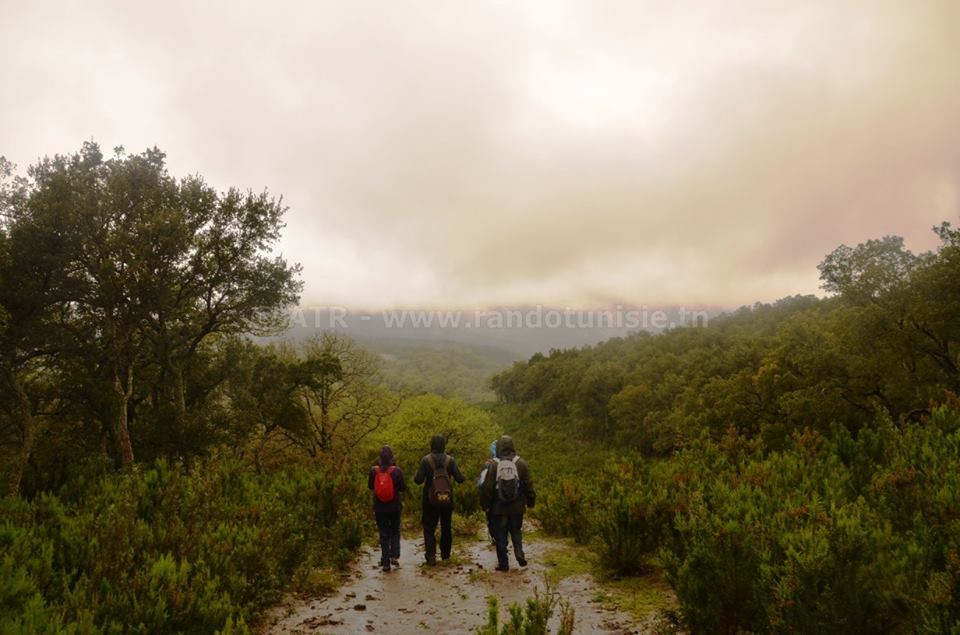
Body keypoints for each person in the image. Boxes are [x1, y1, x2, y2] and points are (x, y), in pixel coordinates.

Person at [480, 435, 535, 572]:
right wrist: (530, 502)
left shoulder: (493, 464)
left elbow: (487, 488)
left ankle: (504, 564)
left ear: (498, 447)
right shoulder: (521, 463)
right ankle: (519, 553)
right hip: (517, 507)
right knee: (516, 530)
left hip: (498, 508)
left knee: (500, 536)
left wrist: (485, 505)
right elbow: (528, 485)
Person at [414, 435, 465, 565]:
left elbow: (418, 480)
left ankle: (431, 557)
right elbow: (460, 479)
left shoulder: (426, 460)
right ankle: (446, 556)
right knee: (446, 527)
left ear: (431, 445)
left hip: (429, 500)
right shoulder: (450, 460)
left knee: (429, 528)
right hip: (447, 500)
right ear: (444, 445)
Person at [368, 445, 405, 572]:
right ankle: (394, 555)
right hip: (394, 507)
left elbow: (370, 487)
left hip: (379, 507)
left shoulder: (374, 471)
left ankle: (385, 563)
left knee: (383, 533)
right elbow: (402, 488)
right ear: (391, 457)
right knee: (395, 530)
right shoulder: (397, 471)